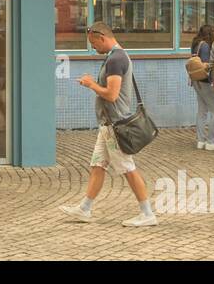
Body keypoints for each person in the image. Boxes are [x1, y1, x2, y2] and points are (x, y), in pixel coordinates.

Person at [59, 22, 158, 227]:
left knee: (128, 168)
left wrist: (91, 84)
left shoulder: (116, 59)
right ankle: (85, 209)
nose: (93, 48)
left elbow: (112, 95)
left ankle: (147, 214)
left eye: (93, 44)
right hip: (107, 125)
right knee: (97, 165)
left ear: (102, 37)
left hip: (115, 125)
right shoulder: (116, 57)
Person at [189, 24, 214, 151]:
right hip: (205, 82)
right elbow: (205, 65)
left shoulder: (196, 43)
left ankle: (200, 140)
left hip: (196, 81)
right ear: (210, 33)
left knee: (202, 111)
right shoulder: (205, 46)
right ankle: (211, 141)